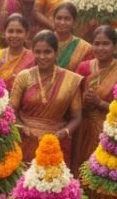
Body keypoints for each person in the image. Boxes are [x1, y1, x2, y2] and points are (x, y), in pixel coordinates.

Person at [9, 30, 82, 163]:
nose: (42, 56)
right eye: (37, 52)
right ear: (33, 52)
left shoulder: (71, 80)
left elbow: (77, 117)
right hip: (25, 139)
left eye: (47, 52)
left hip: (55, 142)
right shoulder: (24, 76)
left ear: (56, 53)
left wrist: (64, 132)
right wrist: (22, 127)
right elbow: (12, 110)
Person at [74, 26, 117, 174]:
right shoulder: (83, 67)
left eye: (105, 44)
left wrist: (100, 103)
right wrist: (82, 101)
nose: (100, 48)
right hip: (83, 128)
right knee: (81, 170)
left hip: (110, 130)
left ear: (114, 46)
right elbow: (74, 98)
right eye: (96, 43)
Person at [0, 15, 35, 89]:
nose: (14, 35)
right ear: (4, 33)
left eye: (19, 31)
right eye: (10, 31)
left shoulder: (33, 58)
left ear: (27, 34)